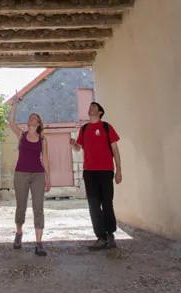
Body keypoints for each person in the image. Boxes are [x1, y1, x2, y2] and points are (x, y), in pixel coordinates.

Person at [69, 101, 122, 250]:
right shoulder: (84, 129)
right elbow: (78, 148)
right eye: (90, 107)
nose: (91, 109)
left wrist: (119, 170)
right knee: (93, 205)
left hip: (106, 171)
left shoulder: (106, 127)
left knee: (107, 203)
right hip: (89, 172)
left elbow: (115, 150)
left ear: (100, 112)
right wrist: (74, 144)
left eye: (94, 107)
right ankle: (100, 237)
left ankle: (110, 234)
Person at [8, 97, 51, 256]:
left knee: (38, 208)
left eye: (35, 117)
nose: (32, 118)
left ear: (38, 124)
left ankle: (39, 242)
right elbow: (11, 122)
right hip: (21, 174)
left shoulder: (42, 139)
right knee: (21, 206)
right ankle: (19, 233)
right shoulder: (21, 134)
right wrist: (15, 105)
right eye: (30, 117)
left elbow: (45, 159)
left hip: (38, 175)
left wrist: (49, 178)